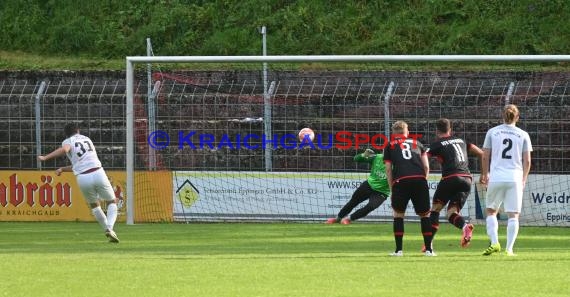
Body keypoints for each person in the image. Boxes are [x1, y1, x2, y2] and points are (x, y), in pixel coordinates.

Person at [37, 122, 120, 243]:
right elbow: (83, 162)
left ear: (66, 134)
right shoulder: (87, 139)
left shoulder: (67, 141)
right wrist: (63, 169)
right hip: (98, 172)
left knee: (94, 205)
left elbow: (66, 150)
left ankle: (107, 229)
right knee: (112, 201)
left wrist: (45, 157)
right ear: (78, 130)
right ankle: (110, 228)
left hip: (83, 178)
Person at [479, 104, 532, 256]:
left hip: (496, 177)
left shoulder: (493, 132)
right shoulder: (523, 134)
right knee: (513, 215)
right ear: (518, 117)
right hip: (514, 178)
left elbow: (485, 155)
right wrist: (523, 179)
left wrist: (485, 173)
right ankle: (509, 249)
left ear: (502, 116)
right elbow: (527, 161)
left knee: (491, 211)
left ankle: (495, 242)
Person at [425, 118, 483, 251]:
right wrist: (484, 173)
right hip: (467, 179)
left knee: (435, 210)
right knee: (452, 213)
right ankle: (465, 227)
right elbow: (481, 153)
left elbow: (424, 156)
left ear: (436, 131)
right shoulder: (462, 141)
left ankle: (429, 245)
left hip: (450, 177)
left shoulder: (437, 144)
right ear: (450, 129)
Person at [383, 121, 434, 256]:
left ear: (394, 133)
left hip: (401, 181)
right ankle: (429, 250)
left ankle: (399, 250)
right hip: (419, 180)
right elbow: (427, 167)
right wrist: (423, 180)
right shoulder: (418, 144)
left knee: (398, 215)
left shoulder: (389, 145)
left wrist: (391, 187)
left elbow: (388, 169)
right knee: (425, 215)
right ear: (407, 132)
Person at [326, 148, 390, 224]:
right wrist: (363, 155)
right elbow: (356, 159)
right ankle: (338, 218)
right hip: (369, 185)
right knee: (353, 201)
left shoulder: (396, 165)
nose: (385, 155)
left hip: (382, 192)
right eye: (384, 153)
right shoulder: (377, 157)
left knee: (371, 206)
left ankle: (349, 219)